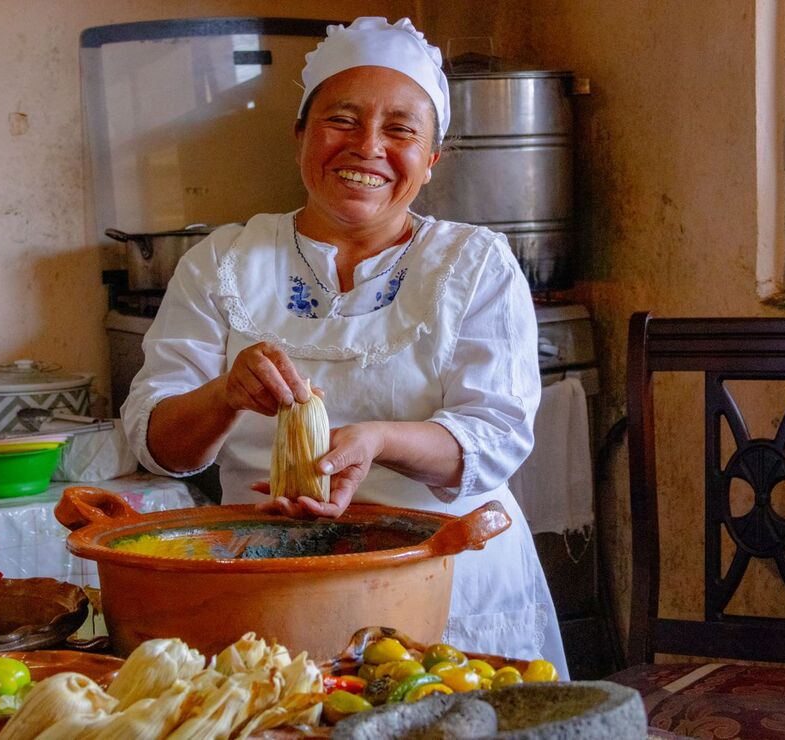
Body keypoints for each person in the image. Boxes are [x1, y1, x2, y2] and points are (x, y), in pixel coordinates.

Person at [121, 16, 568, 677]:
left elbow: (495, 436)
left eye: (399, 130)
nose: (366, 147)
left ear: (430, 160)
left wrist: (376, 442)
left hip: (444, 586)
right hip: (271, 585)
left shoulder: (473, 263)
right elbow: (159, 447)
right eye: (342, 119)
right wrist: (224, 395)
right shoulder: (224, 262)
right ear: (300, 132)